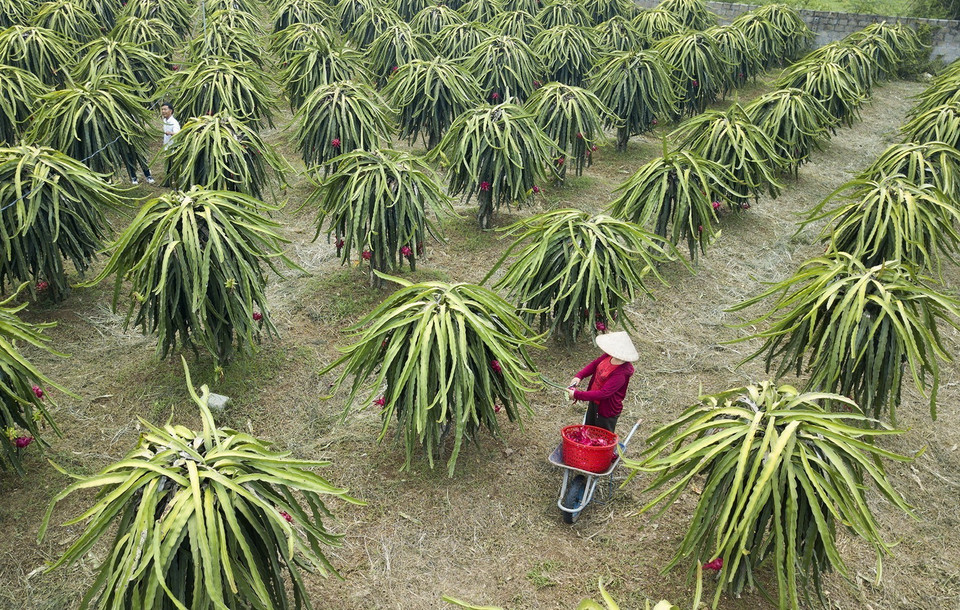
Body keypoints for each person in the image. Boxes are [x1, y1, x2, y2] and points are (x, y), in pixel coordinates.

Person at [566, 331, 638, 434]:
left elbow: (604, 393)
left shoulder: (621, 373)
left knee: (602, 436)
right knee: (588, 430)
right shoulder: (609, 356)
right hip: (594, 400)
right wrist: (579, 376)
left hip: (606, 409)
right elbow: (595, 364)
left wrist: (577, 394)